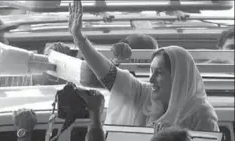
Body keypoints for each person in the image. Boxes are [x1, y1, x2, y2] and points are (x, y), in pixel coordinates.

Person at [68, 0, 219, 132]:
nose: (151, 79)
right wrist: (79, 39)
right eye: (150, 71)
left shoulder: (201, 114)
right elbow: (109, 75)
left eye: (159, 72)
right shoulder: (145, 95)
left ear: (177, 77)